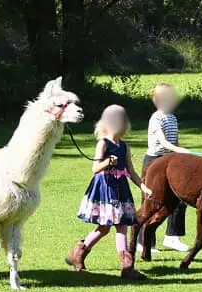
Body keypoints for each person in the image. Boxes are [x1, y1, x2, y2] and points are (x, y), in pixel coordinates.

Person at [67, 106, 150, 280]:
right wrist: (108, 162)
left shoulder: (125, 147)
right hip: (105, 188)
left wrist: (143, 187)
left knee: (110, 226)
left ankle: (78, 254)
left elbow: (132, 172)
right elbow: (95, 168)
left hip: (120, 188)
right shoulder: (103, 143)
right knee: (111, 226)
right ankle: (127, 267)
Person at [143, 82, 194, 255]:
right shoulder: (156, 118)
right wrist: (179, 150)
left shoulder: (172, 117)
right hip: (154, 162)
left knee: (180, 199)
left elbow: (175, 141)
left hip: (170, 161)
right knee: (152, 203)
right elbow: (163, 142)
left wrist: (182, 155)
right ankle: (145, 243)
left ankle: (173, 236)